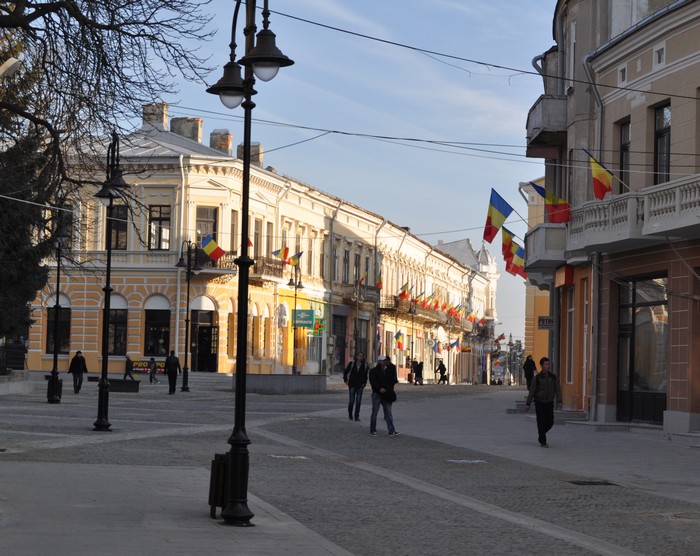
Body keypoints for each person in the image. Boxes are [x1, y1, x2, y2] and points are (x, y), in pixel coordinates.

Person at [525, 357, 563, 447]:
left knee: (550, 422)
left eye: (548, 364)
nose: (548, 366)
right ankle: (543, 441)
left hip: (549, 402)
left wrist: (559, 400)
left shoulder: (553, 377)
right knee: (541, 421)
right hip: (540, 402)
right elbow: (532, 391)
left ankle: (541, 433)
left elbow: (557, 389)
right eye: (546, 364)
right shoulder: (537, 378)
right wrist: (528, 403)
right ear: (541, 366)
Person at [368, 355, 399, 436]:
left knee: (388, 412)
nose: (384, 362)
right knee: (375, 412)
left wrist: (389, 390)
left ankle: (391, 430)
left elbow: (391, 381)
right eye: (383, 360)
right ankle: (373, 430)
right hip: (377, 394)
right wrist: (379, 388)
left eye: (385, 360)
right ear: (379, 361)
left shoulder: (388, 370)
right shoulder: (373, 371)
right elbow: (373, 382)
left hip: (386, 394)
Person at [343, 352, 369, 421]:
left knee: (358, 401)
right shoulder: (352, 364)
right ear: (356, 357)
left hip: (360, 385)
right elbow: (346, 372)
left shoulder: (365, 365)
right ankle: (350, 414)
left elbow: (365, 376)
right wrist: (346, 380)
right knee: (351, 401)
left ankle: (356, 416)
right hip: (352, 384)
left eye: (362, 356)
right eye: (359, 356)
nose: (360, 357)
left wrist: (364, 383)